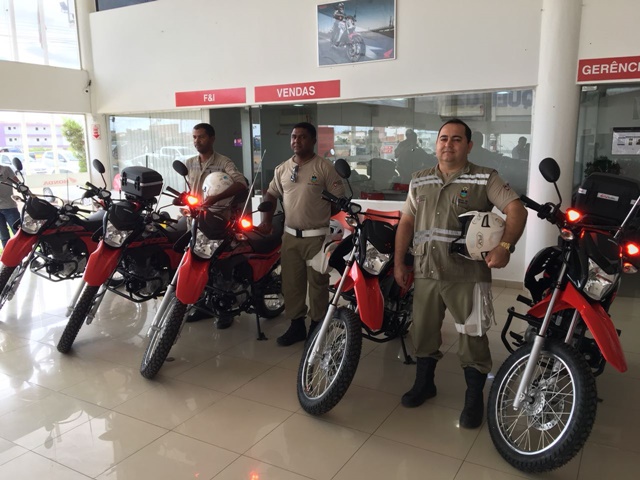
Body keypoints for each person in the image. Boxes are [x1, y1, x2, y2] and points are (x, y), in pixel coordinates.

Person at [394, 118, 527, 429]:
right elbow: (407, 223)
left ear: (469, 145)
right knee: (423, 332)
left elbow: (516, 209)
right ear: (435, 144)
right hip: (427, 271)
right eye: (443, 138)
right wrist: (400, 262)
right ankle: (424, 384)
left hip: (467, 274)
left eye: (456, 139)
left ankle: (473, 398)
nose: (448, 144)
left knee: (472, 337)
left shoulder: (485, 178)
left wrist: (505, 246)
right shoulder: (419, 180)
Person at [259, 122, 345, 346]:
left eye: (302, 137)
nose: (296, 140)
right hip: (290, 238)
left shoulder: (324, 168)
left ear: (313, 141)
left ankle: (316, 328)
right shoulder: (282, 169)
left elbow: (338, 201)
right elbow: (270, 194)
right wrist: (266, 221)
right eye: (294, 136)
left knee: (317, 285)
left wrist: (319, 213)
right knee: (291, 285)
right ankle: (296, 326)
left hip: (317, 238)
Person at [184, 122, 248, 328]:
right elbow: (191, 189)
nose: (197, 141)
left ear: (212, 138)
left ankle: (224, 309)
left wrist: (216, 198)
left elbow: (241, 183)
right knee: (197, 265)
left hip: (217, 224)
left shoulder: (224, 162)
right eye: (194, 137)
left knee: (220, 266)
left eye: (201, 137)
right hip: (195, 223)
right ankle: (203, 305)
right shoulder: (190, 163)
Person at [0, 164, 21, 248]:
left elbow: (18, 182)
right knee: (4, 236)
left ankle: (25, 254)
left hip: (9, 207)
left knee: (18, 233)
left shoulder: (6, 169)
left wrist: (22, 187)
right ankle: (8, 255)